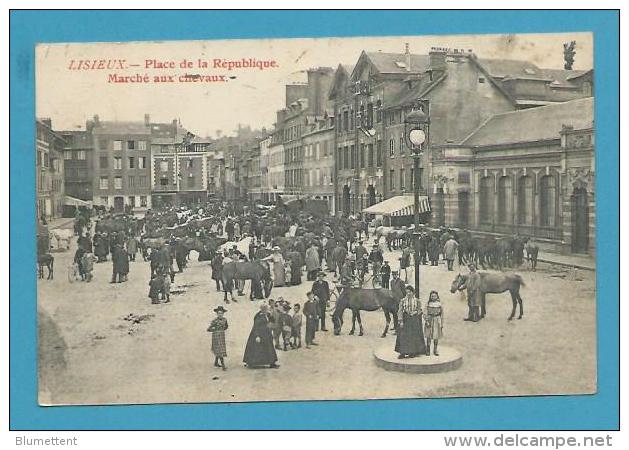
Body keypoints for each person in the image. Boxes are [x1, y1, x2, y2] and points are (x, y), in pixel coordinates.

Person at [243, 303, 279, 369]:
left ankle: (272, 363)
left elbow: (272, 320)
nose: (266, 310)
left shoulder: (267, 314)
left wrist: (270, 317)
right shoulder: (258, 316)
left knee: (269, 348)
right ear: (262, 309)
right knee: (258, 349)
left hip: (266, 333)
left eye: (266, 309)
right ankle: (251, 362)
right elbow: (256, 326)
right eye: (265, 309)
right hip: (260, 334)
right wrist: (257, 336)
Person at [395, 285, 426, 358]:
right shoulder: (402, 301)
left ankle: (413, 352)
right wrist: (401, 321)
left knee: (413, 335)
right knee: (403, 336)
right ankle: (403, 352)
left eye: (410, 292)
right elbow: (400, 311)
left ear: (413, 292)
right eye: (407, 292)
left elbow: (419, 310)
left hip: (414, 319)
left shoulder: (417, 301)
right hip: (405, 319)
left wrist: (415, 312)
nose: (408, 294)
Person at [207, 306, 229, 370]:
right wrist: (215, 329)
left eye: (221, 313)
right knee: (220, 350)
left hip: (222, 335)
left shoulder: (225, 320)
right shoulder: (214, 321)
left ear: (223, 313)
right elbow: (208, 329)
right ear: (217, 314)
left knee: (219, 350)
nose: (220, 314)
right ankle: (223, 366)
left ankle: (216, 362)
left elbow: (226, 326)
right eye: (219, 313)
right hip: (216, 336)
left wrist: (222, 330)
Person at [424, 291, 444, 356]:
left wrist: (441, 323)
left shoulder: (439, 304)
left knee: (436, 336)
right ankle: (428, 350)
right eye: (432, 296)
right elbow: (425, 313)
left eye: (434, 296)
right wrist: (426, 320)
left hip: (437, 320)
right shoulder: (428, 304)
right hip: (429, 320)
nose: (433, 297)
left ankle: (435, 350)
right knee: (428, 335)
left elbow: (442, 314)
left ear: (437, 296)